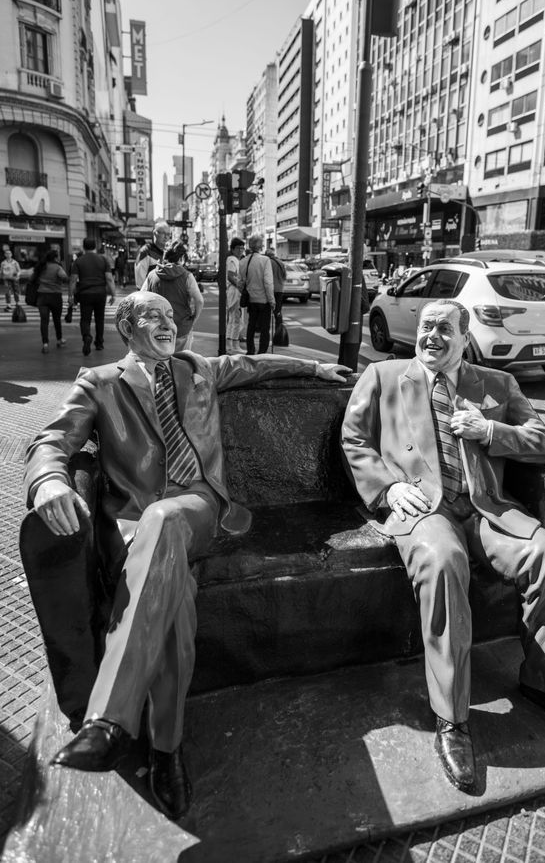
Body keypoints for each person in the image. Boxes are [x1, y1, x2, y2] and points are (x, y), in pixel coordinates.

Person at [23, 290, 350, 819]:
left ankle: (107, 720)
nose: (167, 324)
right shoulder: (100, 383)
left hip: (201, 509)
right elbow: (50, 440)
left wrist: (317, 369)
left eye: (171, 317)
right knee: (174, 603)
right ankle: (165, 750)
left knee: (167, 518)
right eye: (152, 316)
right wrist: (47, 482)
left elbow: (257, 364)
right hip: (136, 528)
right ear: (127, 328)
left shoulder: (199, 368)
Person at [341, 298, 545, 794]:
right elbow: (354, 439)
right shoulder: (383, 376)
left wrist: (491, 430)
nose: (432, 337)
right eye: (427, 327)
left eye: (445, 329)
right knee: (443, 561)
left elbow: (543, 442)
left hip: (486, 507)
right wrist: (386, 488)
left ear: (465, 338)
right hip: (425, 509)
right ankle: (452, 718)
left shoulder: (497, 385)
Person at [141, 240, 204, 352]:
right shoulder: (187, 276)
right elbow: (199, 300)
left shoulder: (152, 275)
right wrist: (194, 319)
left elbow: (141, 299)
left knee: (161, 362)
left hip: (158, 328)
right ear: (181, 258)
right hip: (182, 328)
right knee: (181, 363)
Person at [69, 238, 116, 356]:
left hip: (85, 293)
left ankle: (86, 336)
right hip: (100, 293)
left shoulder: (78, 261)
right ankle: (99, 343)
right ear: (95, 246)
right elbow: (109, 278)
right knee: (100, 319)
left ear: (84, 247)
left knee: (85, 319)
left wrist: (70, 295)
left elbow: (73, 280)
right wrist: (113, 293)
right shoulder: (103, 260)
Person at [239, 234, 274, 355]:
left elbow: (241, 282)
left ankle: (250, 350)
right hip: (264, 300)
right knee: (265, 328)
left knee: (251, 325)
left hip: (251, 299)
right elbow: (268, 282)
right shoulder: (265, 260)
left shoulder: (243, 261)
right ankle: (262, 352)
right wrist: (272, 300)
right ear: (260, 246)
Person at [33, 250, 68, 353]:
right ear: (55, 258)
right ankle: (59, 339)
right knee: (56, 319)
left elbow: (32, 278)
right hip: (55, 296)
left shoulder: (41, 266)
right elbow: (64, 277)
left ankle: (45, 343)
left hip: (42, 296)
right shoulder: (57, 267)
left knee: (44, 321)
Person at [134, 222, 172, 288]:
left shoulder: (170, 252)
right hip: (150, 294)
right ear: (155, 233)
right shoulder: (146, 251)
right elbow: (140, 282)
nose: (166, 237)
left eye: (168, 234)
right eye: (162, 233)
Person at [226, 237, 245, 354]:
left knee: (233, 319)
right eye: (238, 248)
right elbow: (230, 275)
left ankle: (231, 345)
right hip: (235, 292)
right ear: (232, 249)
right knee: (236, 319)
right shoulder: (232, 259)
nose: (241, 250)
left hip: (234, 291)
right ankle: (234, 345)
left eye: (242, 248)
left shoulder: (233, 259)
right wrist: (240, 286)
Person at [266, 246, 286, 327]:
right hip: (280, 289)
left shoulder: (268, 262)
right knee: (278, 310)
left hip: (271, 289)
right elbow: (284, 276)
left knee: (267, 310)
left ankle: (264, 328)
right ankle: (279, 327)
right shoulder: (281, 263)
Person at [1, 245, 21, 312]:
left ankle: (17, 303)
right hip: (6, 279)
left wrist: (17, 275)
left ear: (11, 254)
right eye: (7, 253)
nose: (8, 254)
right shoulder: (3, 263)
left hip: (14, 279)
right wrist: (1, 276)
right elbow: (1, 271)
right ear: (5, 255)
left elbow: (19, 271)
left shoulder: (15, 262)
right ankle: (9, 305)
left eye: (9, 253)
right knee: (7, 292)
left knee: (16, 291)